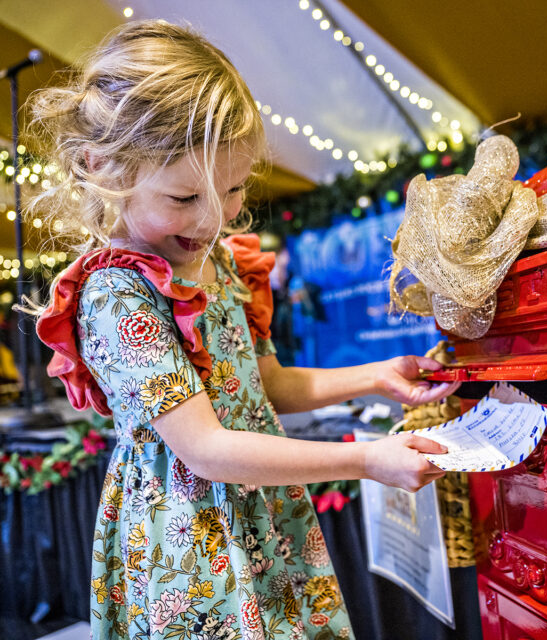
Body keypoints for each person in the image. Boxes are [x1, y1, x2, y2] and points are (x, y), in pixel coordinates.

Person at [28, 20, 460, 640]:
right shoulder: (116, 294)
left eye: (231, 189)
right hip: (192, 539)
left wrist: (375, 377)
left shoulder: (221, 259)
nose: (212, 218)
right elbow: (206, 448)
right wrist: (367, 459)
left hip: (262, 507)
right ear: (104, 168)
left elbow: (266, 384)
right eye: (184, 198)